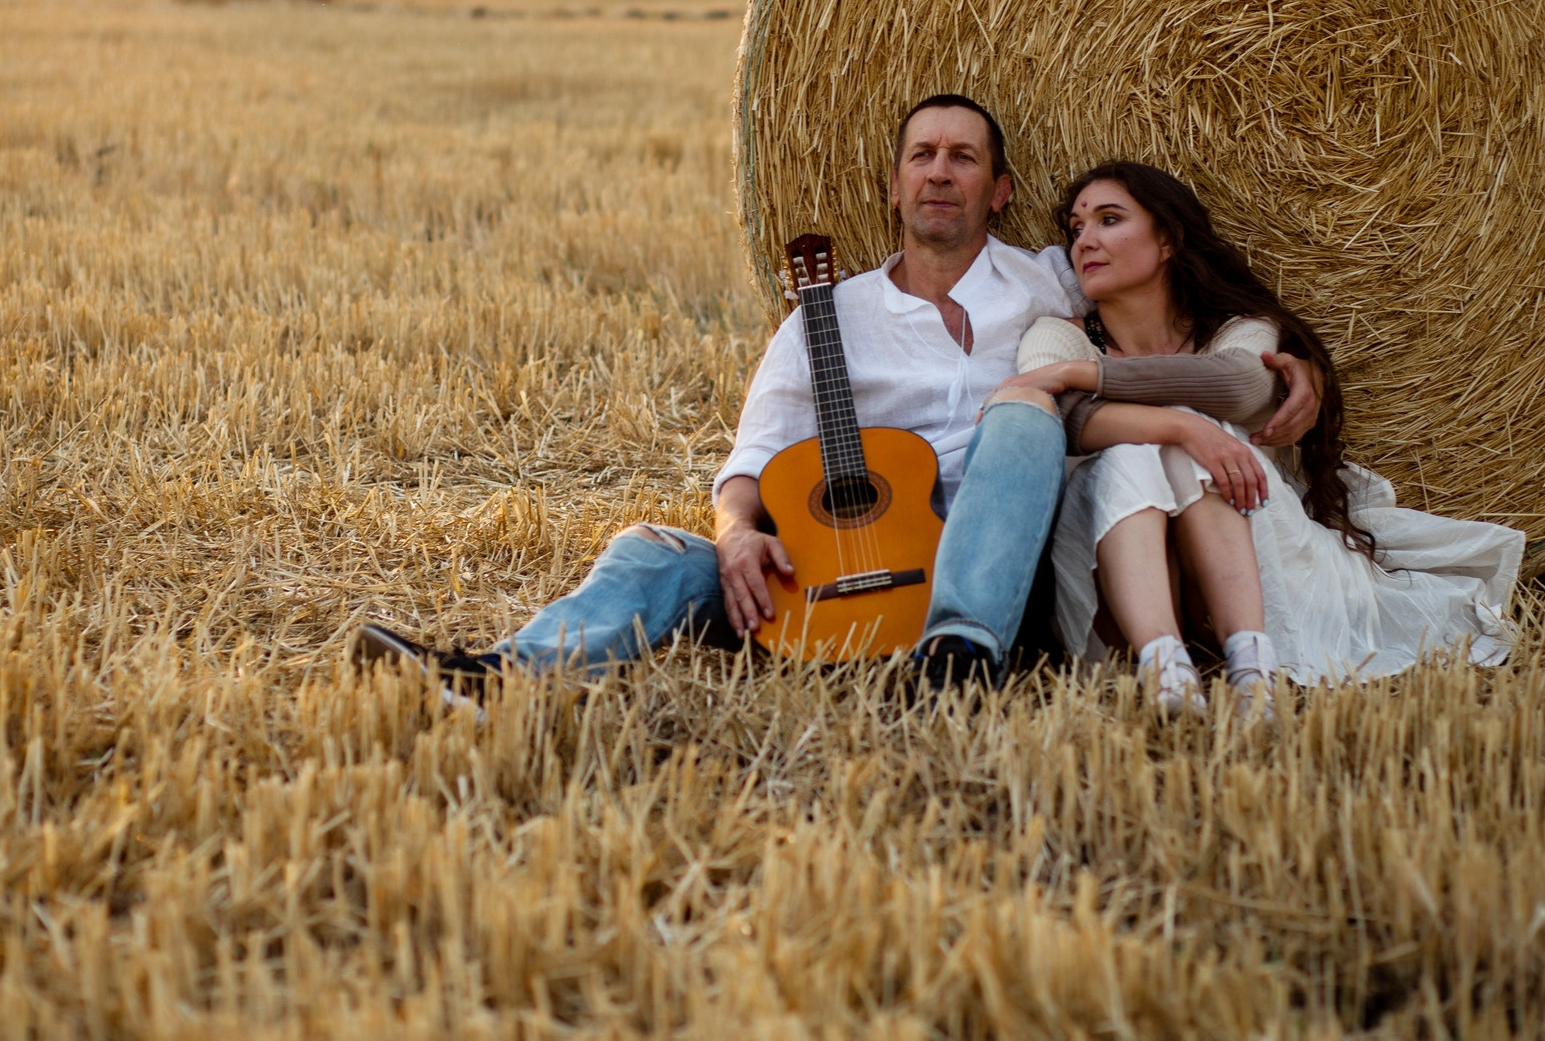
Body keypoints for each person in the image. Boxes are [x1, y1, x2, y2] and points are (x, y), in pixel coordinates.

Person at [354, 97, 1325, 694]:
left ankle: (955, 659)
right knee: (654, 548)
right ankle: (504, 670)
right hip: (861, 549)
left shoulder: (1043, 281)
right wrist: (737, 532)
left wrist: (1286, 361)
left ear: (998, 190)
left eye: (963, 157)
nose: (939, 170)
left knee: (1022, 411)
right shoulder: (829, 311)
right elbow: (750, 460)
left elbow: (1165, 290)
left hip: (1000, 553)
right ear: (893, 185)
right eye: (922, 154)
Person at [996, 161, 1524, 715]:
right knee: (1143, 447)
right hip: (1119, 593)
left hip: (1250, 574)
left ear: (1168, 238)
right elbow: (1060, 418)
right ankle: (1164, 663)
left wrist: (1088, 376)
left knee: (1179, 434)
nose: (1086, 241)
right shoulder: (1056, 335)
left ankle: (1251, 668)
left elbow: (1241, 385)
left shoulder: (1235, 329)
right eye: (1077, 228)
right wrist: (1183, 426)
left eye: (1109, 220)